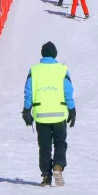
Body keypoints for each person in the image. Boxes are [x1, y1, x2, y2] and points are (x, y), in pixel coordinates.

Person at [23, 42, 76, 186]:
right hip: (59, 114)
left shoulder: (34, 70)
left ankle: (46, 177)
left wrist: (27, 111)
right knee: (60, 143)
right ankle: (58, 166)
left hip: (41, 114)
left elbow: (28, 93)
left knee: (44, 146)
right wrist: (72, 110)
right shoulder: (62, 70)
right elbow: (68, 92)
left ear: (42, 54)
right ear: (55, 54)